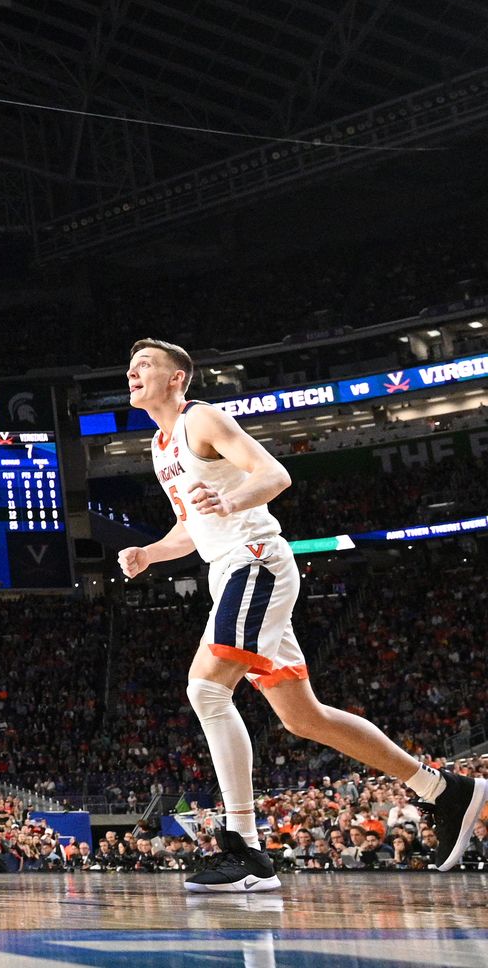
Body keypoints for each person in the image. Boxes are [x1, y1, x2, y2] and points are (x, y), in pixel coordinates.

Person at [119, 338, 488, 891]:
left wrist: (233, 501)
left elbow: (273, 475)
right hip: (230, 573)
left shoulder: (203, 421)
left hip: (256, 563)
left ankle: (245, 849)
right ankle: (444, 790)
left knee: (206, 690)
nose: (132, 373)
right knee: (303, 718)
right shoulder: (160, 443)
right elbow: (192, 527)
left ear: (178, 378)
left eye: (145, 364)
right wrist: (151, 552)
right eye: (130, 367)